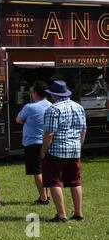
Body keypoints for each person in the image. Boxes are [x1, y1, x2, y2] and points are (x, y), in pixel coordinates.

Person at [41, 80, 87, 222]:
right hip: (75, 150)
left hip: (57, 150)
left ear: (54, 95)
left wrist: (43, 150)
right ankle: (78, 213)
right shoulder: (79, 107)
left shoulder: (53, 109)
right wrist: (79, 145)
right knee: (75, 181)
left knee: (55, 181)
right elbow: (83, 130)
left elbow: (49, 133)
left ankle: (61, 215)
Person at [16, 81, 51, 204]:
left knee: (37, 171)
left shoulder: (29, 107)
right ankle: (46, 195)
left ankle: (43, 198)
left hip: (33, 142)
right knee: (46, 169)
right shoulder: (52, 106)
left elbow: (18, 119)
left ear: (35, 93)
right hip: (48, 141)